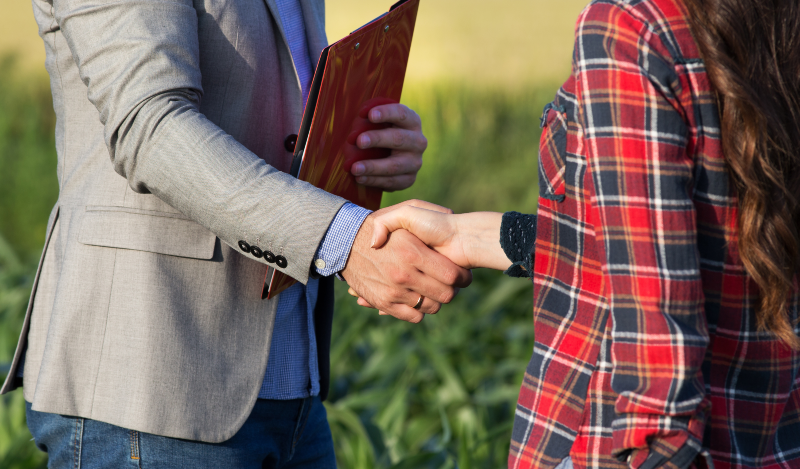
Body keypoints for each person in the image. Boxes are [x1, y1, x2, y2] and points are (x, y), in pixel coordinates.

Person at [0, 0, 471, 467]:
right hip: (153, 390)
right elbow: (150, 127)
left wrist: (362, 148)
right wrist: (341, 238)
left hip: (293, 388)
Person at [367, 0, 800, 467]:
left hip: (607, 447)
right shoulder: (772, 21)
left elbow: (659, 395)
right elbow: (692, 234)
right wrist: (472, 237)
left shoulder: (629, 29)